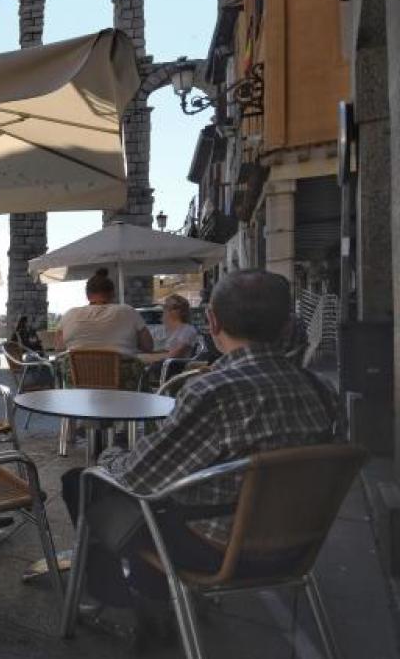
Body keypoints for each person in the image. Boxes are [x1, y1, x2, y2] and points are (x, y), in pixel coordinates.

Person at [61, 270, 340, 644]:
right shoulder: (320, 390)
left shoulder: (213, 391)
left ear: (212, 321)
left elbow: (141, 478)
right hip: (298, 545)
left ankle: (119, 602)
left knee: (85, 483)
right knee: (154, 505)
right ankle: (153, 597)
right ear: (288, 325)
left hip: (217, 550)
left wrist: (110, 456)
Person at [57, 268, 154, 357]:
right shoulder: (128, 311)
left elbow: (59, 348)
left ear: (87, 295)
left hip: (77, 370)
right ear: (112, 293)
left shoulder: (69, 314)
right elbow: (148, 346)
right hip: (121, 370)